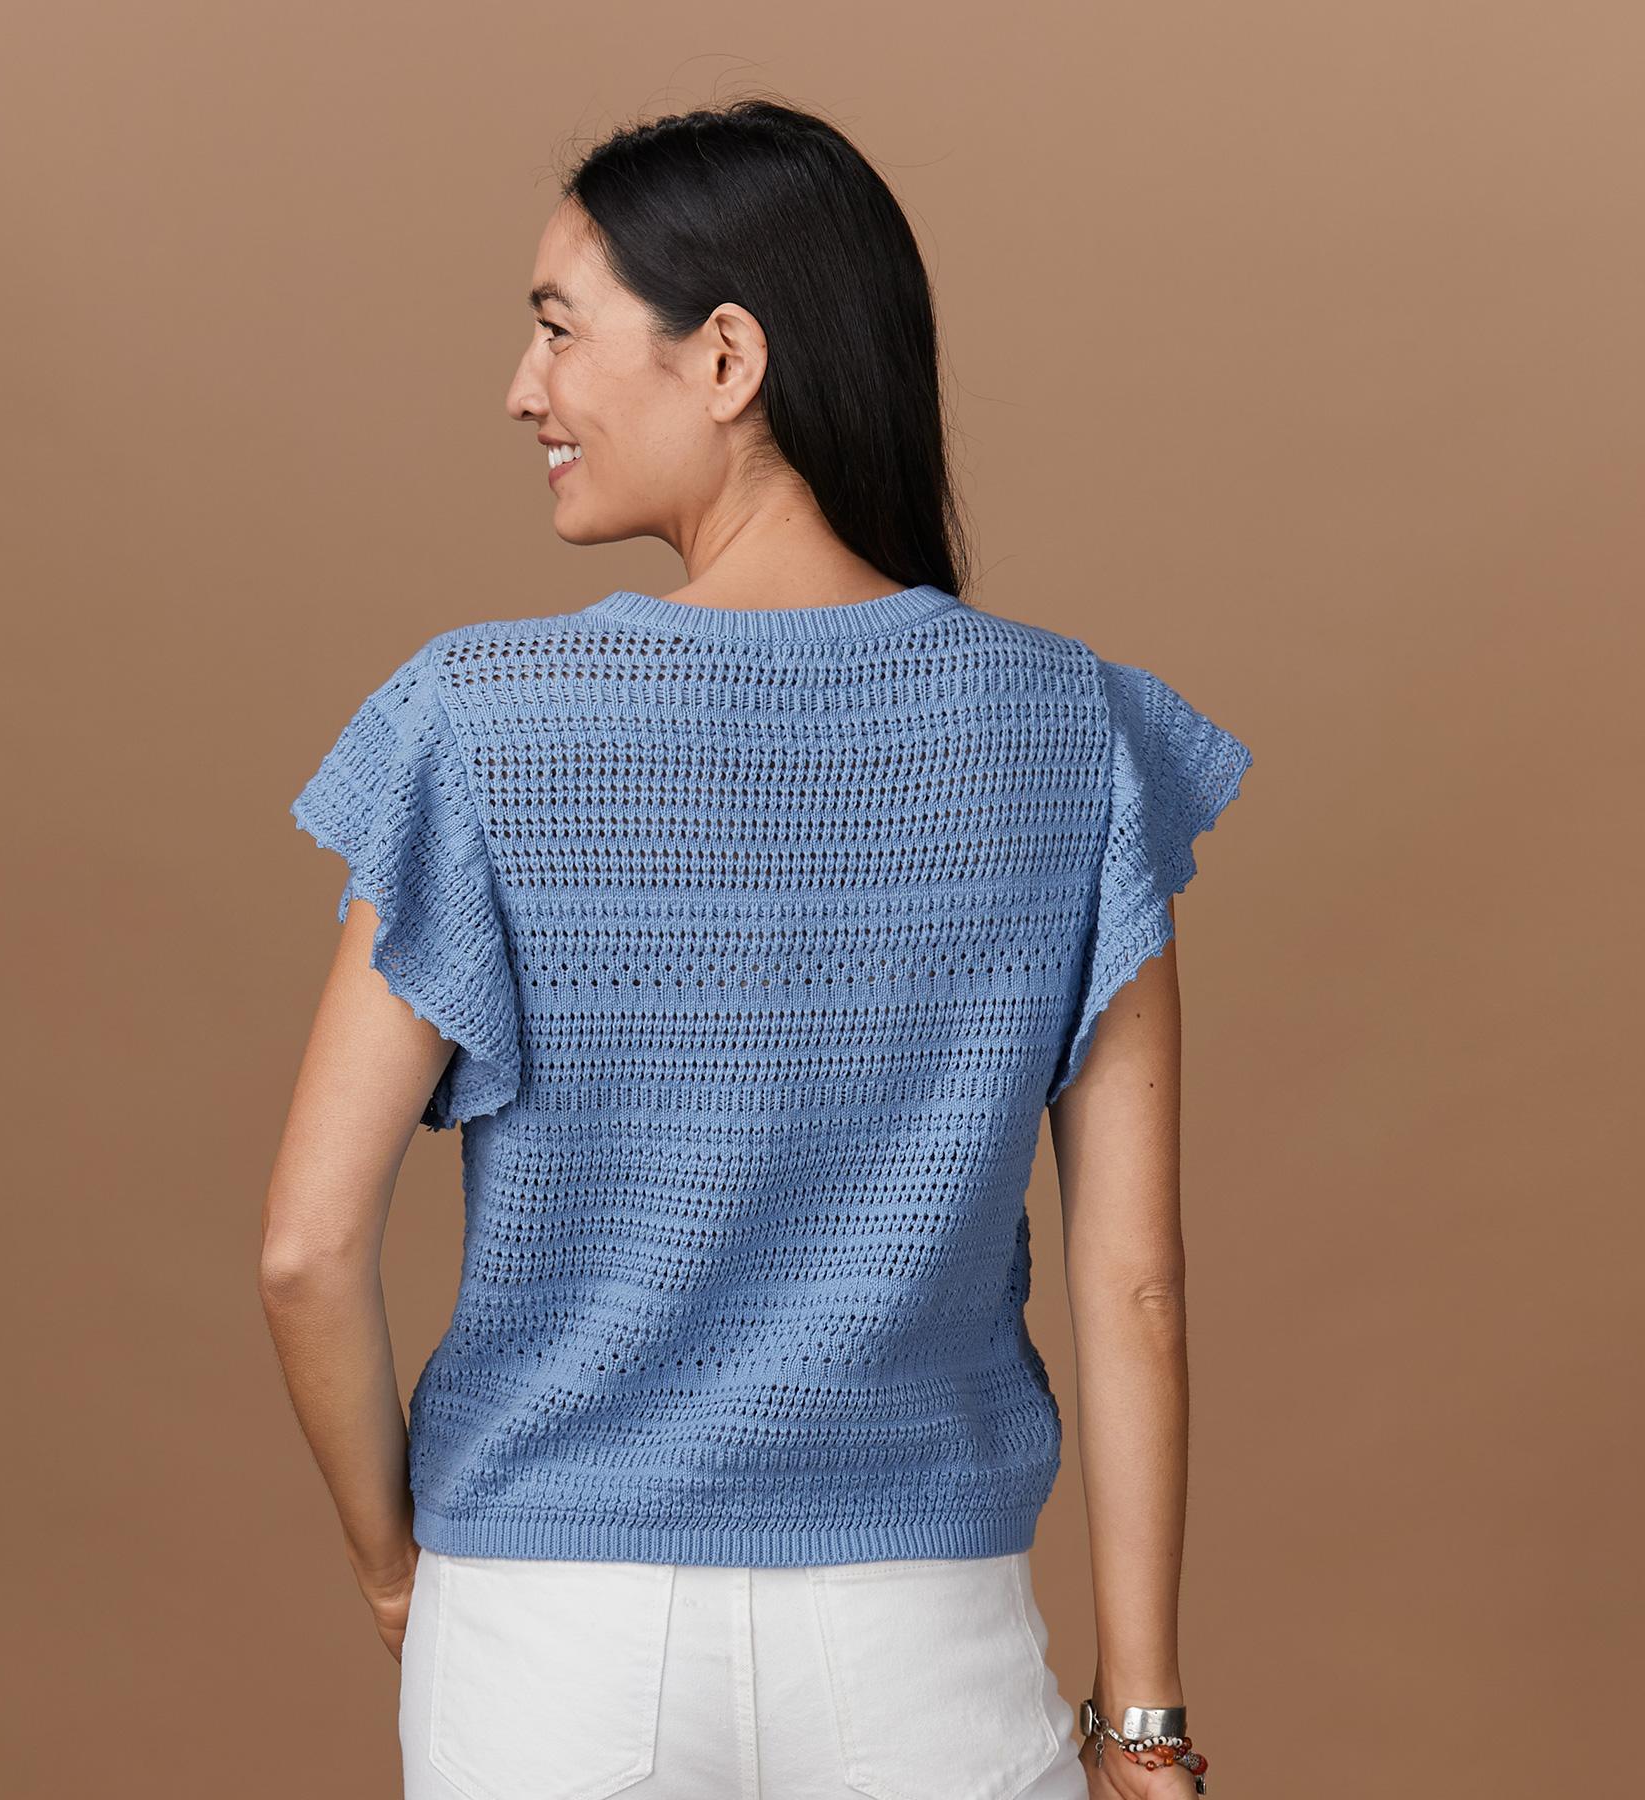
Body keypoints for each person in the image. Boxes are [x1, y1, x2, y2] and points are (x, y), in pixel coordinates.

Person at [260, 98, 1248, 1800]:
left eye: (558, 328)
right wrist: (1140, 1718)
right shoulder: (1076, 736)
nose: (522, 388)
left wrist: (394, 1571)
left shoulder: (477, 726)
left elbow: (305, 1252)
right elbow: (1133, 1285)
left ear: (726, 358)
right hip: (920, 1638)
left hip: (548, 1639)